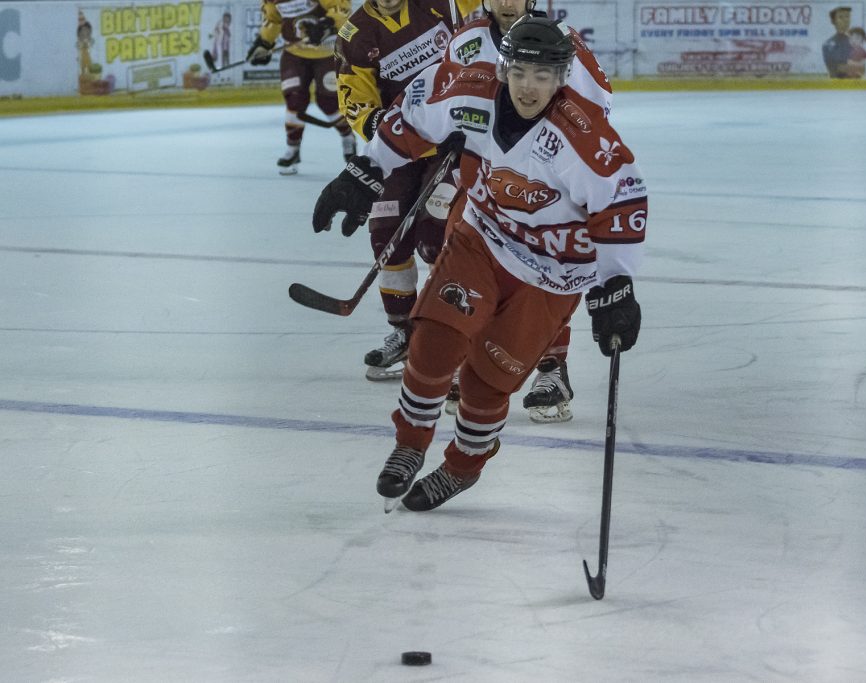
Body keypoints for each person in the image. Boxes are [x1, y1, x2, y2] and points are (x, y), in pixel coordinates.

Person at [312, 16, 647, 511]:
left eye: (543, 76)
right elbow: (409, 119)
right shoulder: (470, 91)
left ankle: (464, 465)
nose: (528, 87)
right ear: (503, 68)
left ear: (561, 78)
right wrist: (365, 171)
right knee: (434, 339)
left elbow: (623, 207)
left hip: (556, 271)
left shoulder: (582, 138)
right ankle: (410, 444)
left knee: (488, 380)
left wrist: (615, 287)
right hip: (484, 237)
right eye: (519, 73)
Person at [441, 0, 614, 422]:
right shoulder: (465, 40)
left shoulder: (564, 43)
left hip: (545, 182)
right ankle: (474, 360)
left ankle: (552, 370)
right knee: (465, 260)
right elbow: (442, 102)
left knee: (548, 268)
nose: (505, 2)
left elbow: (600, 108)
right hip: (482, 177)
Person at [330, 0, 480, 381]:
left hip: (454, 140)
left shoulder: (442, 2)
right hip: (401, 145)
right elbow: (357, 104)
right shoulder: (355, 34)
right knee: (386, 238)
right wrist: (389, 125)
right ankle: (405, 332)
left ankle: (450, 336)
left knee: (436, 236)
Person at [246, 0, 357, 174]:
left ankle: (347, 136)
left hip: (327, 53)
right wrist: (264, 43)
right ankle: (293, 149)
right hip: (294, 55)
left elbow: (341, 8)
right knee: (294, 100)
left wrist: (327, 24)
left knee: (329, 103)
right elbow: (273, 20)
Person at [822, 6, 854, 79]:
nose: (845, 20)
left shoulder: (855, 43)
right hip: (836, 86)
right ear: (833, 21)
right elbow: (835, 70)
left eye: (847, 16)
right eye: (841, 17)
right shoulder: (827, 44)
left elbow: (862, 69)